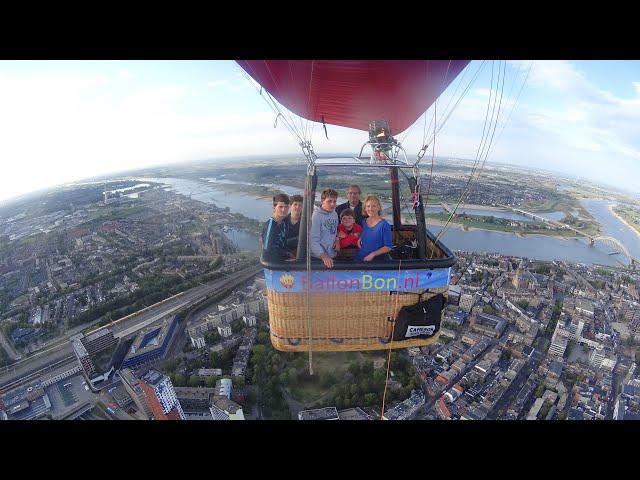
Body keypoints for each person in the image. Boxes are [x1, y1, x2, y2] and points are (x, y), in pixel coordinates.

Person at [356, 194, 393, 262]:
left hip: (376, 262)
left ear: (378, 207)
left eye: (374, 206)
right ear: (365, 208)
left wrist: (373, 254)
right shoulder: (364, 222)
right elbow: (367, 234)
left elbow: (388, 247)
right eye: (368, 206)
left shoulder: (384, 225)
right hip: (361, 259)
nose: (370, 209)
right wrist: (361, 238)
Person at [310, 188, 340, 269]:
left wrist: (337, 240)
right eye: (329, 201)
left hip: (332, 255)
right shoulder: (316, 216)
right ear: (322, 201)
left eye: (334, 201)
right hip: (318, 258)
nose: (333, 204)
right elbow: (313, 240)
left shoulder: (334, 214)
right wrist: (323, 255)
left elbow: (335, 231)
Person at [261, 193, 292, 261]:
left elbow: (283, 243)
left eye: (286, 207)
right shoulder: (271, 225)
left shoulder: (283, 223)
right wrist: (287, 254)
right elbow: (268, 251)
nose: (284, 210)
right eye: (280, 207)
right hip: (275, 264)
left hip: (283, 259)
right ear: (274, 207)